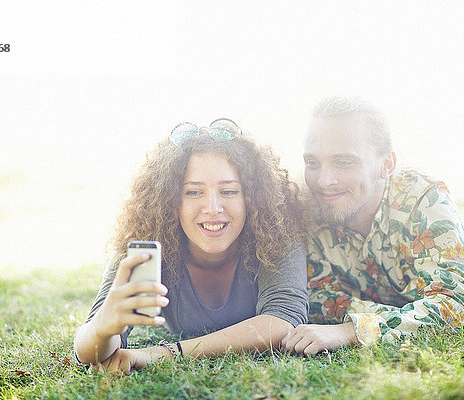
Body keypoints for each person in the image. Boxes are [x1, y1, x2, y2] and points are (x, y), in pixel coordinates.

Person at [74, 118, 308, 373]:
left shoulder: (274, 233)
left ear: (251, 198)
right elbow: (89, 351)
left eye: (229, 192)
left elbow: (283, 321)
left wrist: (166, 353)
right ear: (170, 200)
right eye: (193, 192)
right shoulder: (147, 240)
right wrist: (102, 329)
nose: (213, 208)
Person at [281, 97, 464, 355]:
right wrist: (415, 312)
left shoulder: (423, 198)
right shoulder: (302, 206)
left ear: (387, 165)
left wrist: (352, 330)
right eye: (313, 163)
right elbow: (318, 301)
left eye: (343, 162)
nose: (323, 181)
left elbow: (455, 308)